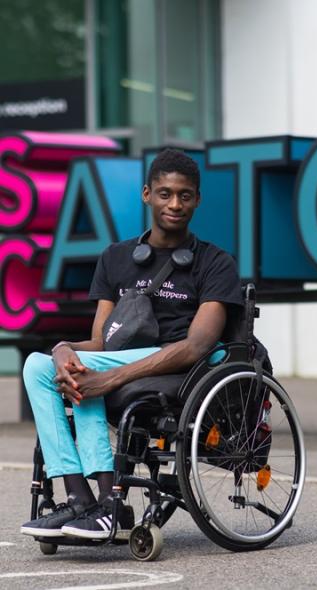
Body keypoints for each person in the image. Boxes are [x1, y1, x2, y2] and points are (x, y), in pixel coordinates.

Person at [20, 148, 242, 540]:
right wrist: (62, 349)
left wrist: (109, 378)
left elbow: (197, 346)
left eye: (185, 195)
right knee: (37, 366)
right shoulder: (116, 257)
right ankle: (81, 499)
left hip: (182, 367)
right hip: (118, 358)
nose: (175, 204)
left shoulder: (215, 262)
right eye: (165, 193)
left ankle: (110, 503)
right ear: (146, 194)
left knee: (89, 375)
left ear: (197, 199)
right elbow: (101, 339)